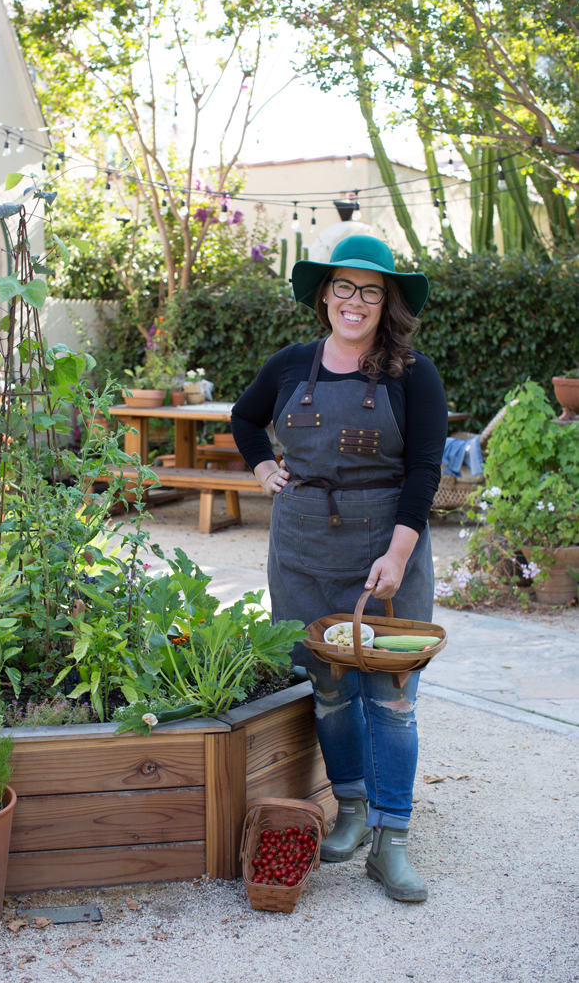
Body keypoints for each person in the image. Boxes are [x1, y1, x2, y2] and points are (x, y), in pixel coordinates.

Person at [231, 235, 447, 903]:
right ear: (323, 294)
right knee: (326, 687)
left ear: (388, 303)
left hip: (385, 548)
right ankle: (349, 810)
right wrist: (262, 464)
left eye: (371, 290)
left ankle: (393, 840)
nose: (355, 301)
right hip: (301, 547)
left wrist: (398, 552)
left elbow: (423, 471)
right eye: (344, 287)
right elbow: (244, 417)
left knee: (390, 699)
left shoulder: (413, 374)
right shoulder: (292, 365)